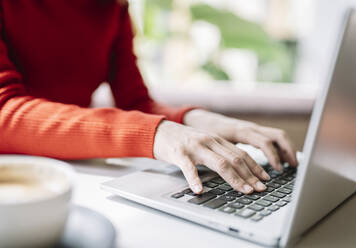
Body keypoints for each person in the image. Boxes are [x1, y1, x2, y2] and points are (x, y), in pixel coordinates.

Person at [0, 1, 298, 195]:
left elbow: (136, 103)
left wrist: (200, 121)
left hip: (68, 181)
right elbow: (4, 111)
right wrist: (157, 134)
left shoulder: (112, 7)